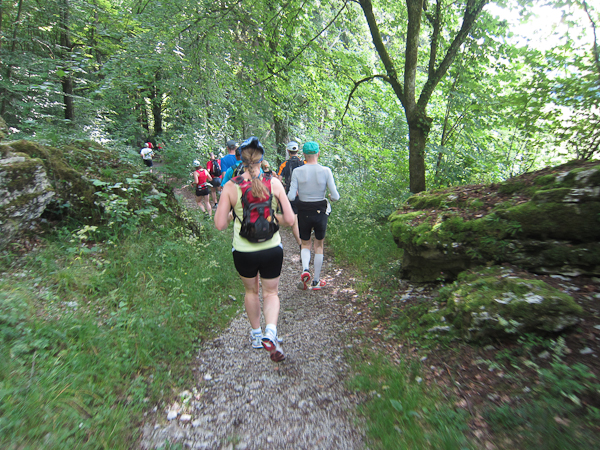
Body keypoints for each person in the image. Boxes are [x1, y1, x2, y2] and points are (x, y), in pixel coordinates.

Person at [214, 137, 295, 362]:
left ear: (240, 159)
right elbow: (290, 219)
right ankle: (271, 331)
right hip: (272, 249)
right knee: (271, 293)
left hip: (243, 251)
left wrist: (233, 214)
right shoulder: (274, 183)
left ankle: (257, 334)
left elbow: (219, 225)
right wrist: (273, 218)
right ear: (261, 158)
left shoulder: (231, 186)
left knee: (251, 292)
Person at [288, 141, 340, 290]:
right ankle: (316, 281)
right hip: (320, 211)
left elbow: (291, 196)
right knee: (319, 245)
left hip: (303, 211)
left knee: (305, 243)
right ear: (318, 153)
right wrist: (330, 196)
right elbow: (336, 196)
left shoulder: (297, 171)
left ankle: (305, 269)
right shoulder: (326, 171)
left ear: (304, 155)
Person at [277, 141, 305, 246]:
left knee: (295, 222)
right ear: (298, 150)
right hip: (304, 195)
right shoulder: (304, 163)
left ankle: (301, 245)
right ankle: (306, 244)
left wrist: (284, 186)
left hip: (291, 195)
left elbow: (279, 180)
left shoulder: (284, 164)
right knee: (305, 220)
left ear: (288, 151)